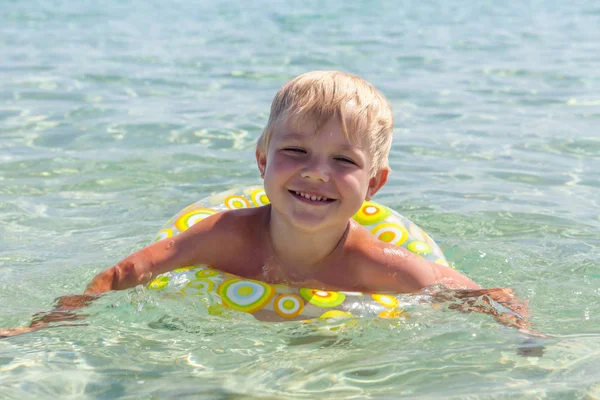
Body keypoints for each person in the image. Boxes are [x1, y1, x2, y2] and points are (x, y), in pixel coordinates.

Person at [0, 71, 535, 339]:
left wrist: (529, 342)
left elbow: (479, 294)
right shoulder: (224, 236)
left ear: (375, 185)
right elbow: (127, 272)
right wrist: (47, 325)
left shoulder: (374, 264)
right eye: (295, 151)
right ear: (262, 161)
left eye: (344, 162)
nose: (316, 172)